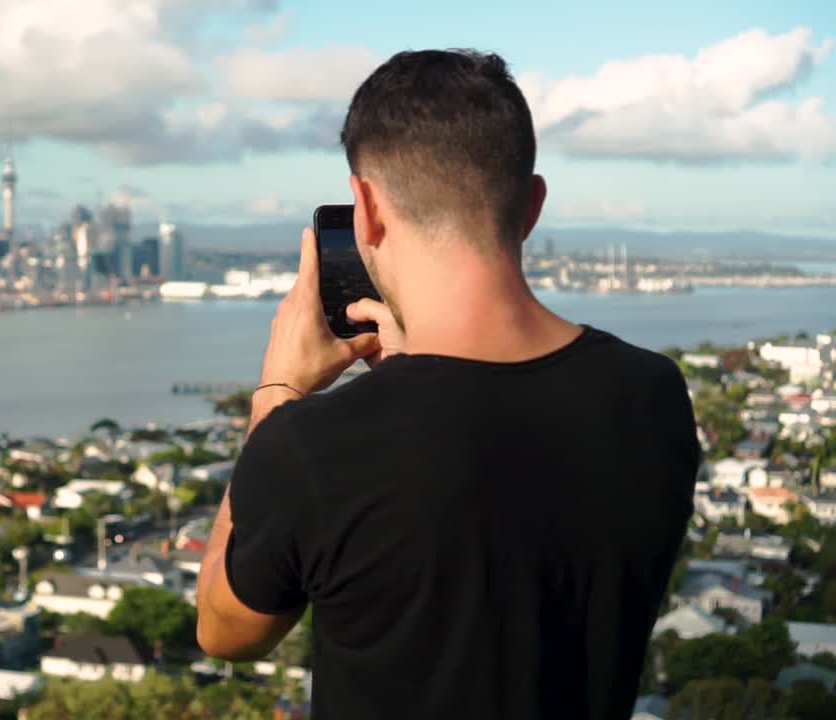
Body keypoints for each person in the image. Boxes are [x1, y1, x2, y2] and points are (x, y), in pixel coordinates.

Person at [196, 49, 700, 719]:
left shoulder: (318, 448)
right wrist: (413, 376)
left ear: (366, 210)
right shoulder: (653, 395)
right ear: (532, 205)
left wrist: (277, 395)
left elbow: (225, 632)